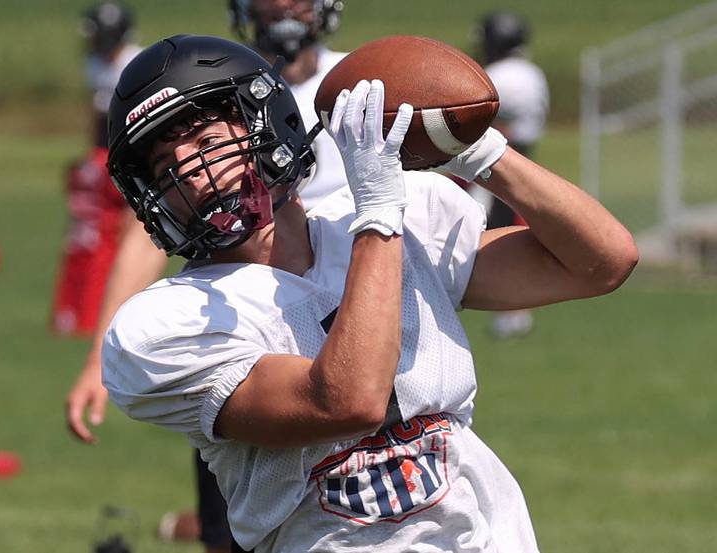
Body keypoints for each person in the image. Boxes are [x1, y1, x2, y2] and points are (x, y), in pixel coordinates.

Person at [100, 34, 638, 552]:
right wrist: (379, 213)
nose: (192, 178)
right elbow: (346, 402)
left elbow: (601, 262)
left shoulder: (395, 219)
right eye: (167, 169)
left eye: (209, 143)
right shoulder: (166, 325)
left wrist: (482, 155)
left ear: (270, 126)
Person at [63, 1, 347, 550]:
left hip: (356, 301)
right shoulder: (206, 85)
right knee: (239, 529)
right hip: (245, 328)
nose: (283, 6)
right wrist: (97, 355)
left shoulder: (365, 81)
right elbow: (146, 239)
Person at [50, 1, 142, 335]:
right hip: (105, 158)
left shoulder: (134, 64)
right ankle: (95, 309)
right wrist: (90, 157)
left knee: (130, 234)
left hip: (131, 158)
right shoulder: (96, 65)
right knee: (97, 233)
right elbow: (97, 118)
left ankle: (123, 305)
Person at [469, 10, 550, 339]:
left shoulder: (500, 75)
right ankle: (515, 310)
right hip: (527, 159)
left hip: (497, 160)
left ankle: (510, 310)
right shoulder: (532, 72)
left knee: (495, 234)